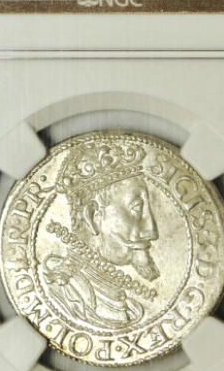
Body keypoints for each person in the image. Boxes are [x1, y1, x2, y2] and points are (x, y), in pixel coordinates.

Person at [43, 139, 160, 329]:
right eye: (136, 208)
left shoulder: (129, 307)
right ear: (92, 216)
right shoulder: (64, 295)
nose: (152, 231)